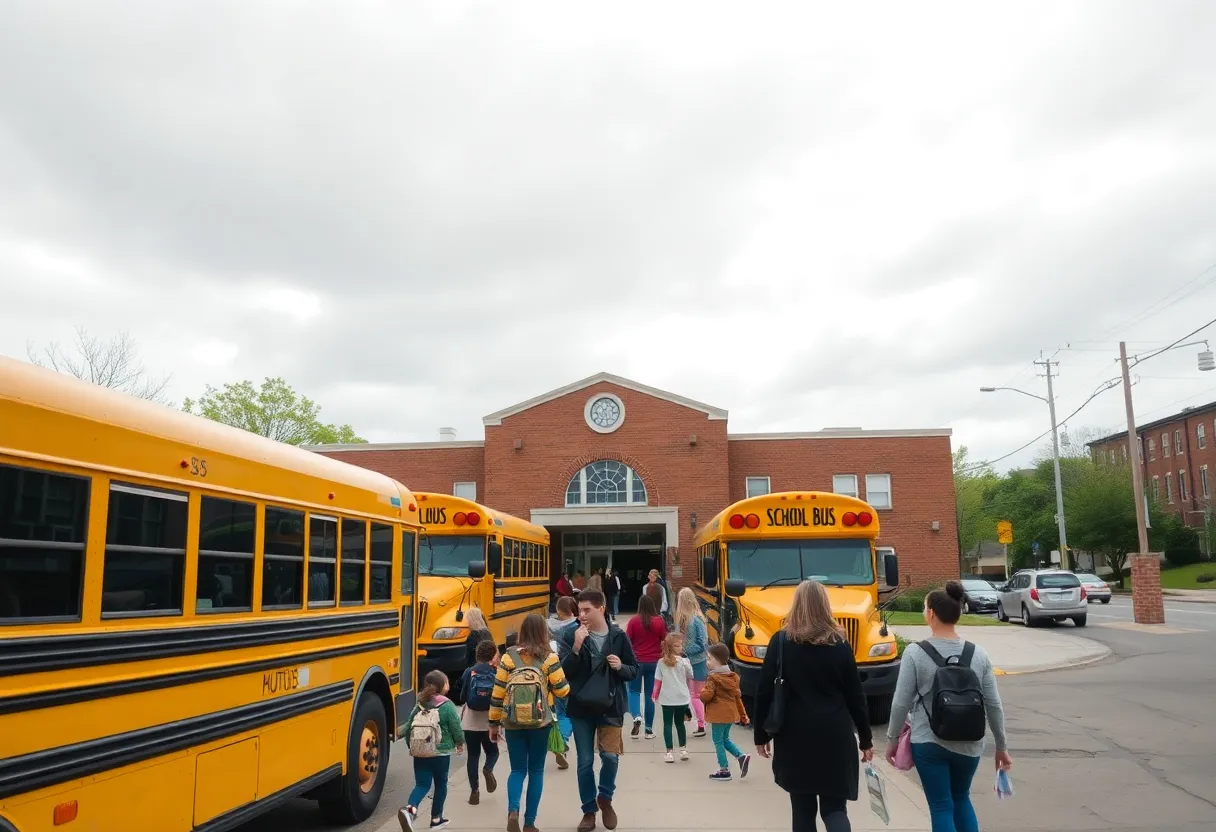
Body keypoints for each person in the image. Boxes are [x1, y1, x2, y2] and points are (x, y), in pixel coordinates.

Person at [885, 581, 1010, 832]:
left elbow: (900, 702)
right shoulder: (979, 654)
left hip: (928, 742)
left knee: (941, 806)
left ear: (931, 613)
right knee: (961, 798)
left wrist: (892, 739)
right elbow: (993, 704)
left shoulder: (914, 653)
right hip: (969, 744)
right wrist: (1001, 747)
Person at [753, 580, 873, 832]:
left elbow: (763, 690)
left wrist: (760, 734)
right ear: (825, 606)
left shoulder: (781, 642)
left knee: (802, 809)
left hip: (794, 734)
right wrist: (865, 739)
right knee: (835, 809)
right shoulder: (839, 644)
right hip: (835, 733)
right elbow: (855, 695)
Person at [557, 589, 640, 832]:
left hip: (611, 705)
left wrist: (620, 667)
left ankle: (605, 796)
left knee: (610, 757)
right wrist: (576, 646)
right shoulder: (569, 634)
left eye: (587, 610)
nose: (581, 615)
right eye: (579, 610)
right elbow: (563, 672)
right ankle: (588, 812)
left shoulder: (618, 636)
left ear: (601, 608)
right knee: (584, 762)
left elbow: (633, 670)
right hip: (581, 707)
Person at [489, 613, 570, 832]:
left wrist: (493, 724)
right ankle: (530, 823)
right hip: (540, 722)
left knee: (517, 770)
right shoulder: (549, 658)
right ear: (544, 632)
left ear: (522, 632)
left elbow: (497, 694)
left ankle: (513, 810)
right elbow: (563, 690)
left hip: (513, 722)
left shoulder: (508, 658)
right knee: (536, 771)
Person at [399, 670, 465, 831]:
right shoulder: (447, 705)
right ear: (442, 686)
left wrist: (413, 747)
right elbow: (455, 726)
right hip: (440, 754)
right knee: (441, 784)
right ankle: (436, 819)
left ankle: (410, 810)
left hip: (420, 753)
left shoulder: (419, 704)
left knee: (422, 784)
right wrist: (460, 742)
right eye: (447, 682)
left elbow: (408, 728)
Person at [458, 640, 501, 805]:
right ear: (493, 655)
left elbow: (462, 697)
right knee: (493, 752)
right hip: (490, 721)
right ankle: (488, 768)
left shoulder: (470, 671)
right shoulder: (496, 672)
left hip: (470, 721)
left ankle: (474, 791)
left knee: (473, 755)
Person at [700, 643, 750, 781]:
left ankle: (724, 770)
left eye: (709, 658)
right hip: (730, 715)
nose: (707, 661)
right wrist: (743, 714)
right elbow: (737, 698)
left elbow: (706, 696)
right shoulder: (733, 677)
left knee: (718, 741)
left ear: (717, 661)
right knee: (725, 739)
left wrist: (702, 692)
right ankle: (741, 756)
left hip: (718, 715)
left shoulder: (713, 678)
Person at [624, 595, 666, 739]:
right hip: (654, 662)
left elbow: (627, 641)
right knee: (650, 696)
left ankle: (636, 716)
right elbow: (664, 639)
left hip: (636, 661)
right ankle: (649, 730)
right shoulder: (659, 621)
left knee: (633, 692)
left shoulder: (634, 621)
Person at [547, 595, 580, 768]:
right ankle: (563, 740)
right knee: (571, 713)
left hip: (553, 673)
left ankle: (559, 743)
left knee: (559, 712)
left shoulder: (549, 627)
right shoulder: (577, 627)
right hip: (572, 674)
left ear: (558, 610)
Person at [652, 632, 694, 762]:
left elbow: (657, 681)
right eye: (678, 646)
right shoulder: (684, 661)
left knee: (667, 725)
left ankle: (669, 752)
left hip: (667, 697)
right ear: (672, 647)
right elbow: (690, 676)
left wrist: (654, 695)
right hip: (682, 696)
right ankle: (683, 749)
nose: (680, 648)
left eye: (680, 645)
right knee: (680, 724)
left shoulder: (661, 662)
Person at [673, 587, 709, 737]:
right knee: (691, 693)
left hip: (694, 661)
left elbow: (701, 644)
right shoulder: (696, 619)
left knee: (694, 695)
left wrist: (684, 651)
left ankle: (701, 723)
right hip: (693, 661)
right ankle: (699, 721)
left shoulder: (693, 620)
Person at [463, 607, 494, 673]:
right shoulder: (487, 632)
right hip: (490, 668)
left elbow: (468, 658)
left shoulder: (472, 636)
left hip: (476, 671)